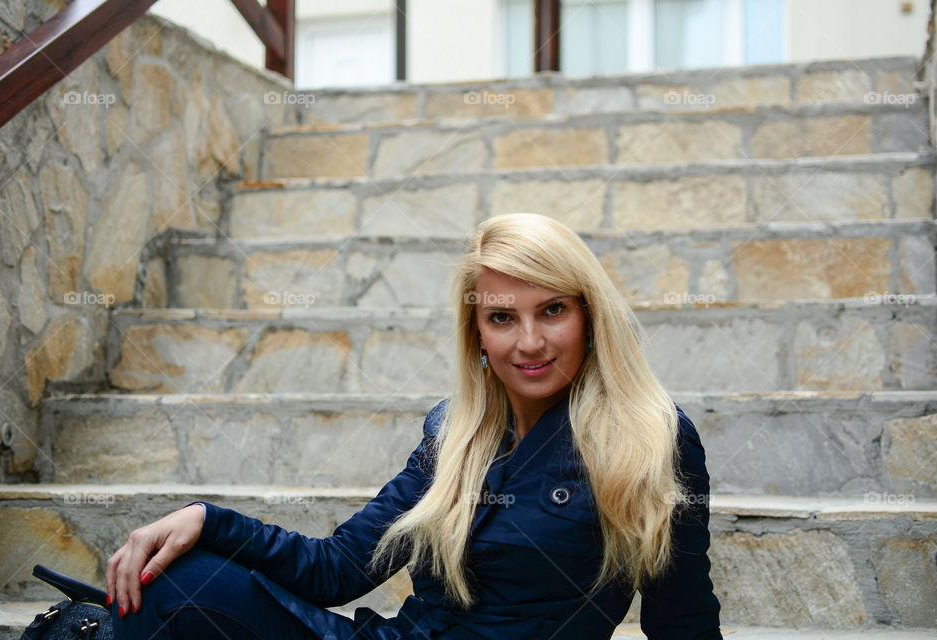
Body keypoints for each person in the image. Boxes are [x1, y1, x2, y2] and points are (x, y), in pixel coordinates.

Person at [106, 212, 723, 639]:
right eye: (503, 318)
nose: (530, 342)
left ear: (589, 318)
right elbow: (339, 568)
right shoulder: (452, 432)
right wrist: (209, 521)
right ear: (477, 333)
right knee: (182, 583)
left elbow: (683, 622)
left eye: (553, 310)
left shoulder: (652, 439)